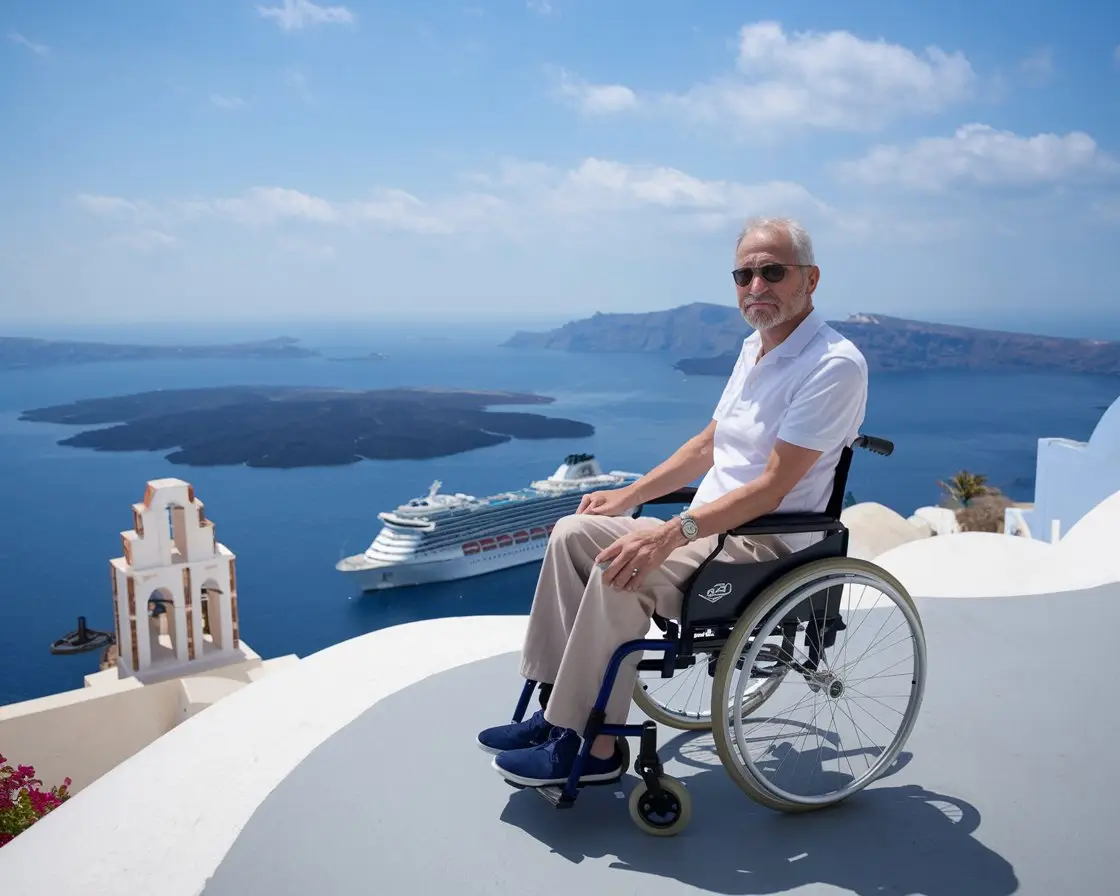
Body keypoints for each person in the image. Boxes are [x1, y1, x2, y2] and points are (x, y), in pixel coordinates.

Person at [477, 216, 869, 788]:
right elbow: (709, 444)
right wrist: (630, 498)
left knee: (623, 565)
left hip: (762, 543)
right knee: (571, 533)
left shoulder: (832, 365)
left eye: (772, 272)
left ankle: (597, 747)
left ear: (810, 279)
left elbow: (773, 487)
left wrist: (670, 531)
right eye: (743, 275)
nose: (755, 287)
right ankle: (552, 708)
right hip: (710, 530)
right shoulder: (756, 348)